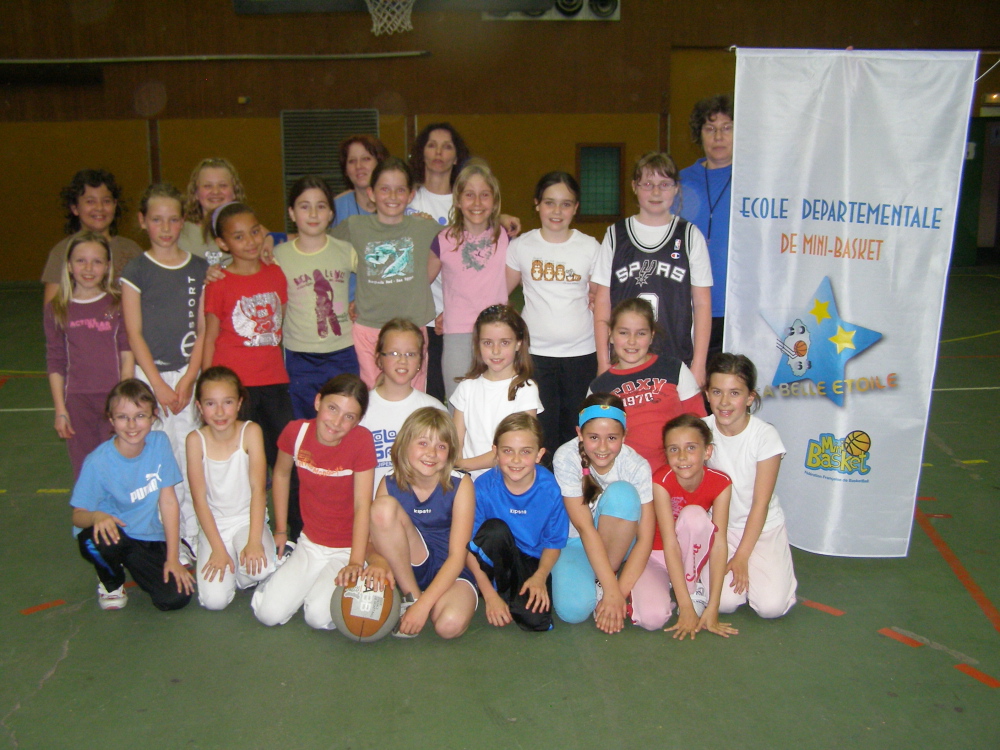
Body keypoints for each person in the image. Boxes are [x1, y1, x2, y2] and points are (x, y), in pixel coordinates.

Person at [121, 183, 208, 560]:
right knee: (157, 457)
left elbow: (204, 328)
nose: (166, 227)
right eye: (157, 220)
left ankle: (194, 533)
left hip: (188, 377)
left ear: (183, 221)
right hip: (150, 379)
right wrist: (156, 384)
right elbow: (133, 331)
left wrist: (189, 379)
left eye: (173, 219)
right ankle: (162, 535)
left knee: (190, 454)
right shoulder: (136, 270)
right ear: (143, 222)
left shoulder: (199, 267)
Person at [251, 374, 377, 629]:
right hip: (309, 543)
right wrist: (281, 530)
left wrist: (355, 560)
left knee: (318, 617)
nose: (337, 422)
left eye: (349, 416)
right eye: (333, 408)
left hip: (347, 549)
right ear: (318, 401)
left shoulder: (361, 441)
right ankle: (286, 584)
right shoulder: (295, 433)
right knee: (267, 615)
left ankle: (336, 585)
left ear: (358, 421)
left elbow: (363, 504)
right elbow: (281, 474)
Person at [202, 202, 297, 535]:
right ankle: (246, 528)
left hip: (273, 383)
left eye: (255, 231)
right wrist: (206, 389)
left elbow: (278, 325)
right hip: (235, 390)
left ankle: (293, 531)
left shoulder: (275, 272)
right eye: (239, 236)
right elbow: (210, 336)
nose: (251, 241)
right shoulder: (219, 282)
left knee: (286, 459)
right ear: (223, 244)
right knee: (242, 465)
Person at [71, 379, 194, 611]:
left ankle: (132, 561)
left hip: (147, 537)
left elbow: (168, 501)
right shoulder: (98, 462)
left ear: (153, 416)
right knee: (93, 540)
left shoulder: (160, 444)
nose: (131, 425)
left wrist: (172, 557)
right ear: (111, 419)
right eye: (122, 417)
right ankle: (111, 581)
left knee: (175, 598)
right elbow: (77, 516)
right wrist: (96, 516)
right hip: (112, 534)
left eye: (140, 416)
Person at [592, 152, 713, 387]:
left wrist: (699, 363)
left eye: (664, 184)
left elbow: (702, 304)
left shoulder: (689, 236)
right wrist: (602, 360)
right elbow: (603, 301)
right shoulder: (616, 235)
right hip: (624, 357)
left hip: (676, 356)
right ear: (634, 187)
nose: (656, 192)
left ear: (676, 188)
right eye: (647, 184)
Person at [506, 171, 600, 460]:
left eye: (566, 204)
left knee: (575, 428)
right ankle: (545, 493)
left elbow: (599, 299)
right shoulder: (521, 245)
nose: (557, 211)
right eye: (549, 203)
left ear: (576, 207)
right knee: (540, 429)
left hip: (582, 353)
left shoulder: (590, 247)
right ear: (537, 204)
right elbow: (498, 294)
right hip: (536, 355)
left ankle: (576, 491)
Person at [366, 407, 478, 638]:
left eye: (441, 446)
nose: (432, 453)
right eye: (423, 443)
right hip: (410, 566)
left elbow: (458, 556)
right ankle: (410, 596)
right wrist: (377, 561)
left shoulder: (461, 484)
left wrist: (424, 607)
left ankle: (428, 600)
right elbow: (372, 541)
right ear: (405, 444)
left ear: (450, 453)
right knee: (382, 508)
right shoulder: (389, 482)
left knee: (448, 626)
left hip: (451, 568)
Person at [332, 157, 441, 390]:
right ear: (371, 193)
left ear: (411, 195)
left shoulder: (424, 228)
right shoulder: (355, 226)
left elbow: (466, 236)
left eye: (400, 190)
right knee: (372, 398)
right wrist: (273, 239)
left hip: (412, 330)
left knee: (413, 398)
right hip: (370, 329)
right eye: (385, 189)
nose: (392, 197)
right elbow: (319, 244)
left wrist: (500, 220)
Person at [550, 394, 654, 633]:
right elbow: (585, 529)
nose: (603, 447)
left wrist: (616, 594)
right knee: (573, 612)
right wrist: (612, 591)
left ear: (625, 436)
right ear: (579, 433)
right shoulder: (566, 457)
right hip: (576, 542)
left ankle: (603, 579)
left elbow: (645, 538)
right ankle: (602, 581)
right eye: (593, 437)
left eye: (612, 438)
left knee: (623, 494)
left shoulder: (636, 465)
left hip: (620, 541)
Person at [705, 354, 797, 619]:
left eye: (734, 393)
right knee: (724, 603)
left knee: (772, 608)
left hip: (762, 528)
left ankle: (771, 569)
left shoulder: (765, 436)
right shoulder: (701, 430)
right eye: (717, 392)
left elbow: (760, 503)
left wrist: (742, 556)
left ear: (749, 398)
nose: (724, 402)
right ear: (707, 393)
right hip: (720, 531)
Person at [632, 413, 738, 639]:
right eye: (673, 449)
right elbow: (669, 544)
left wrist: (713, 607)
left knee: (694, 515)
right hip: (657, 555)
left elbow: (719, 544)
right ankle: (682, 592)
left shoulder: (722, 483)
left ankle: (692, 585)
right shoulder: (661, 482)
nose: (682, 457)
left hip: (692, 555)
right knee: (651, 620)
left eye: (691, 448)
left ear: (707, 451)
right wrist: (686, 607)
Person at [466, 412, 569, 631]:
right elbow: (469, 547)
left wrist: (540, 577)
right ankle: (493, 590)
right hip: (494, 555)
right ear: (495, 453)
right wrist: (490, 596)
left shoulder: (550, 489)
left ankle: (511, 594)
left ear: (539, 455)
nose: (515, 460)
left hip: (531, 560)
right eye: (507, 451)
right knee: (495, 530)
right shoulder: (483, 488)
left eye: (525, 452)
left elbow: (553, 543)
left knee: (536, 621)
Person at [186, 367, 276, 610]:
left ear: (239, 403)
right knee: (214, 601)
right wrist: (217, 549)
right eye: (210, 403)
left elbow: (258, 490)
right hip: (215, 525)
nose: (219, 412)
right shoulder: (195, 441)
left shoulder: (251, 432)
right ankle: (226, 558)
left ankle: (243, 562)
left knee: (262, 569)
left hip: (247, 521)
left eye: (227, 402)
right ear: (199, 406)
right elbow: (199, 500)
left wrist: (254, 540)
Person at [45, 232, 133, 479]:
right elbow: (55, 361)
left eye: (97, 261)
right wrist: (60, 408)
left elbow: (127, 353)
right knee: (85, 470)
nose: (88, 268)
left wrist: (124, 400)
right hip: (77, 401)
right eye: (81, 260)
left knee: (119, 466)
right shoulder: (57, 308)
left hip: (113, 400)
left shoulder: (117, 304)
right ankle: (89, 517)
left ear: (107, 267)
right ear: (69, 266)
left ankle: (121, 518)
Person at [274, 176, 358, 419]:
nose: (313, 213)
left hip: (342, 351)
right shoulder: (279, 256)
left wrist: (359, 301)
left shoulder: (344, 250)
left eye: (321, 206)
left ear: (331, 213)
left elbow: (374, 278)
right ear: (291, 213)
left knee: (344, 416)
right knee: (305, 421)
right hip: (300, 356)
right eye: (304, 206)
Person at [589, 297, 705, 470]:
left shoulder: (674, 369)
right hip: (626, 474)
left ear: (651, 336)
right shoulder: (599, 387)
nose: (632, 341)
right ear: (611, 335)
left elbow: (699, 422)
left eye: (641, 333)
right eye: (624, 332)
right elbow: (593, 439)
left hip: (676, 471)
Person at [427, 160, 509, 400]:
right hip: (458, 336)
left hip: (498, 334)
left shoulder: (505, 236)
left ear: (494, 200)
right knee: (459, 404)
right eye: (469, 195)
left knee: (498, 404)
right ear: (458, 200)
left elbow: (518, 277)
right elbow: (419, 285)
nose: (477, 203)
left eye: (484, 195)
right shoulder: (443, 239)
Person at [406, 123, 473, 401]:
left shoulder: (465, 203)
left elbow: (473, 264)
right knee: (426, 394)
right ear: (422, 153)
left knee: (460, 396)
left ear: (457, 157)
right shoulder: (408, 198)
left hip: (456, 318)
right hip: (419, 316)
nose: (439, 152)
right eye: (432, 144)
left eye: (447, 146)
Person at [450, 305, 543, 478]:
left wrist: (462, 464)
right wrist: (457, 466)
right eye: (487, 343)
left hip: (508, 481)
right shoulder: (467, 387)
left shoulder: (526, 390)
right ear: (478, 344)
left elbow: (520, 447)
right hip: (468, 482)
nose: (495, 351)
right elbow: (455, 442)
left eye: (504, 342)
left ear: (518, 343)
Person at [359, 318, 447, 492]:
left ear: (421, 361)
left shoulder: (433, 409)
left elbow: (444, 469)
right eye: (393, 353)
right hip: (371, 509)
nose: (402, 361)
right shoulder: (362, 409)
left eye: (410, 354)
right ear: (378, 358)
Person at [679, 95, 734, 360]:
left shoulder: (756, 182)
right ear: (699, 134)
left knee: (731, 393)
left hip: (737, 309)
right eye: (710, 128)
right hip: (689, 307)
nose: (718, 136)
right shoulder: (679, 182)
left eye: (727, 128)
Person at [41, 169, 142, 305]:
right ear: (75, 208)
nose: (99, 208)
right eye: (90, 201)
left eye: (106, 201)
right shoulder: (62, 252)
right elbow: (52, 311)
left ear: (115, 205)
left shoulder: (131, 250)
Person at [333, 135, 389, 224]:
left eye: (366, 159)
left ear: (380, 164)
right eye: (352, 161)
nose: (359, 166)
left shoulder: (397, 203)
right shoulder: (336, 208)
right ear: (345, 170)